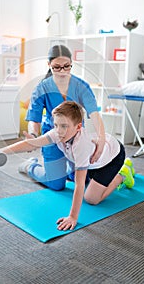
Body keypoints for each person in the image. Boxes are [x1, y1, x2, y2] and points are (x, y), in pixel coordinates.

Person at [0, 101, 135, 231]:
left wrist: (72, 217)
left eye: (64, 126)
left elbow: (79, 184)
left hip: (112, 158)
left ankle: (122, 174)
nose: (59, 130)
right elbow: (31, 143)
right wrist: (1, 151)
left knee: (91, 199)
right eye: (56, 125)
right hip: (93, 162)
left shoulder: (81, 145)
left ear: (78, 127)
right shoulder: (58, 132)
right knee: (80, 177)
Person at [22, 44, 106, 191]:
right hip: (53, 136)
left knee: (83, 179)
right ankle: (30, 166)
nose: (62, 71)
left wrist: (102, 138)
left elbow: (94, 114)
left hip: (77, 137)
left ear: (71, 64)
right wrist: (34, 136)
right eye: (56, 67)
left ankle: (66, 169)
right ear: (49, 65)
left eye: (67, 66)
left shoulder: (81, 86)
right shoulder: (41, 88)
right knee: (56, 185)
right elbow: (34, 118)